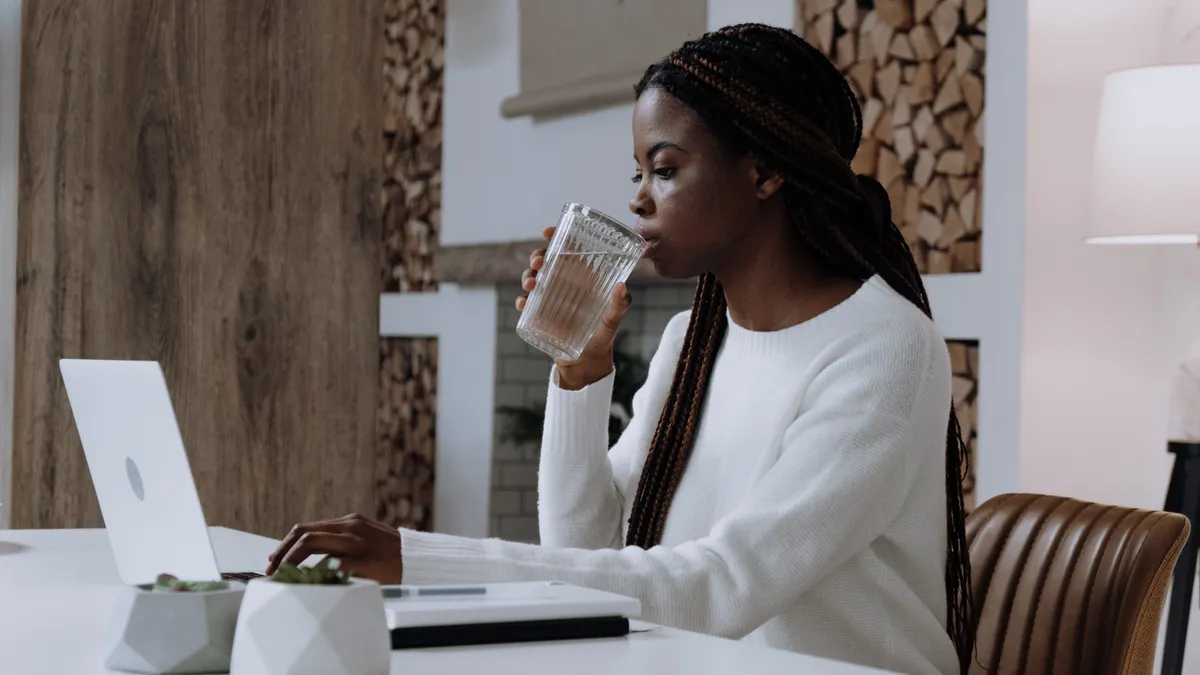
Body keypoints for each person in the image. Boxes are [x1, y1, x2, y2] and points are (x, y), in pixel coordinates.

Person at [268, 23, 973, 675]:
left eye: (664, 169)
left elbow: (716, 587)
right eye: (636, 173)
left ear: (763, 172)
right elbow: (587, 552)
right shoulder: (692, 341)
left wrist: (415, 556)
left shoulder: (884, 350)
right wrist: (580, 374)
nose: (640, 199)